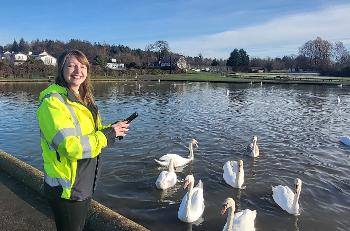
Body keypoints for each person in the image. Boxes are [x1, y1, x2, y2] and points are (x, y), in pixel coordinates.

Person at [37, 50, 129, 231]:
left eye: (83, 66)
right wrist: (108, 135)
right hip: (67, 189)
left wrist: (113, 129)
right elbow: (69, 146)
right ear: (61, 69)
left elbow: (90, 135)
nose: (78, 70)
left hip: (83, 183)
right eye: (71, 65)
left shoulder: (84, 99)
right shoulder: (53, 102)